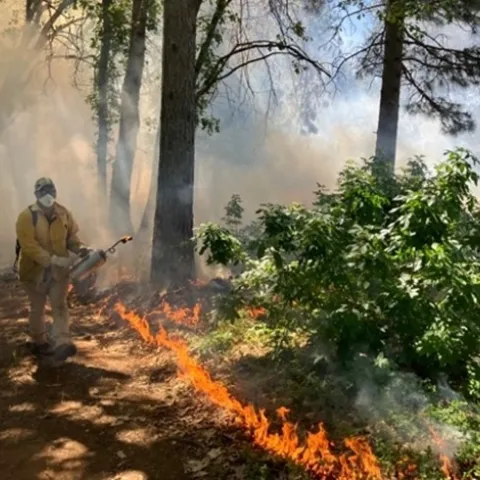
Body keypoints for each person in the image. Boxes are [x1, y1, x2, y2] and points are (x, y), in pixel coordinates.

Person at [15, 177, 89, 364]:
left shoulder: (63, 213)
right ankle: (39, 342)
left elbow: (71, 237)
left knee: (60, 305)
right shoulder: (27, 216)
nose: (48, 195)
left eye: (51, 190)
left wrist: (80, 248)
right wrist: (51, 260)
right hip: (34, 273)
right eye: (43, 191)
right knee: (38, 308)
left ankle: (62, 343)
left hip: (58, 272)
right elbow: (28, 245)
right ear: (36, 194)